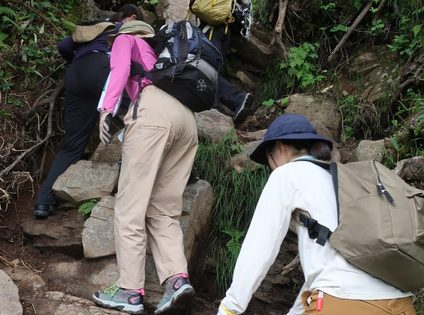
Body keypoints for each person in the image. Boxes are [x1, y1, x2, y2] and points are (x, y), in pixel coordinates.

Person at [216, 113, 416, 315]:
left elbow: (258, 247)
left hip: (345, 302)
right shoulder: (340, 181)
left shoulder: (286, 175)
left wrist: (230, 307)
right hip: (401, 304)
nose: (270, 166)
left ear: (279, 148)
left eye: (268, 157)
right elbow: (325, 275)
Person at [92, 20, 197, 315]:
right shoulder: (160, 56)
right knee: (163, 209)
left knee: (129, 207)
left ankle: (129, 291)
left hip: (152, 113)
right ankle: (177, 279)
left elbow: (120, 70)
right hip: (186, 120)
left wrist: (105, 109)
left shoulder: (126, 40)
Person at [32, 4, 143, 219]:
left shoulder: (95, 29)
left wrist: (80, 60)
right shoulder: (125, 29)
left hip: (75, 75)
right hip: (103, 70)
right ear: (131, 18)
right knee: (139, 110)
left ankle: (43, 202)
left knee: (72, 146)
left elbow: (64, 46)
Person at [192, 0, 253, 121]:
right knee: (214, 70)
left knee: (207, 70)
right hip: (225, 30)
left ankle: (234, 101)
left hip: (211, 31)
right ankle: (219, 106)